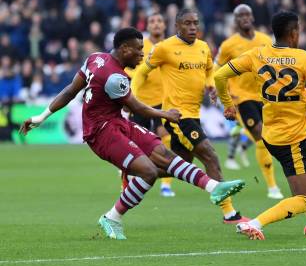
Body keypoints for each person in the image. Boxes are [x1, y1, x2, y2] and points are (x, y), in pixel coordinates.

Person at [19, 28, 245, 240]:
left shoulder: (94, 59)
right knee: (148, 171)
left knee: (163, 155)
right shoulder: (115, 78)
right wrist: (166, 114)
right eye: (138, 49)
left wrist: (41, 116)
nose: (142, 53)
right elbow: (136, 108)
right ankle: (112, 218)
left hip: (117, 122)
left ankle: (214, 188)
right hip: (101, 132)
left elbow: (70, 91)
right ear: (125, 49)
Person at [215, 10, 306, 240]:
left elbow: (220, 76)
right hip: (292, 139)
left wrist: (228, 105)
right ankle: (256, 223)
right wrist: (304, 97)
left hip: (271, 135)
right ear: (293, 33)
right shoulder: (304, 58)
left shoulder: (257, 54)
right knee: (304, 198)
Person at [131, 9, 249, 224]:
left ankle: (138, 174)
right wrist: (132, 98)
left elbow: (209, 72)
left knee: (179, 165)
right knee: (210, 155)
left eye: (195, 23)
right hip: (177, 116)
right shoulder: (164, 48)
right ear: (177, 26)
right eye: (187, 23)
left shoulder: (203, 47)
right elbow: (141, 72)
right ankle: (230, 213)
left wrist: (211, 86)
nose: (193, 27)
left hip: (194, 114)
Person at [215, 4, 284, 200]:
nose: (244, 18)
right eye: (240, 16)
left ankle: (239, 144)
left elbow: (277, 64)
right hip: (241, 97)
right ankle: (272, 187)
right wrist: (214, 87)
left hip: (265, 96)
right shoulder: (228, 45)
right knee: (261, 137)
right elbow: (216, 67)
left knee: (271, 137)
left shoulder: (265, 40)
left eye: (247, 14)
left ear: (252, 17)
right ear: (235, 21)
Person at [123, 12, 175, 197]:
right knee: (137, 143)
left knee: (165, 136)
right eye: (152, 21)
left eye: (160, 20)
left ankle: (166, 185)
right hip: (140, 103)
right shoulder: (140, 45)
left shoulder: (171, 45)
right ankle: (131, 174)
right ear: (148, 25)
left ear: (165, 24)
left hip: (164, 101)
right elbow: (128, 69)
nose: (156, 24)